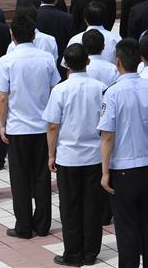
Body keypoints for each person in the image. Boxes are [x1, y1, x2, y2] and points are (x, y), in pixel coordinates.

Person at [98, 38, 148, 268]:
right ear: (139, 59)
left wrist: (104, 172)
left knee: (127, 227)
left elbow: (107, 135)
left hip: (123, 170)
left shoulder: (112, 93)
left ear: (117, 61)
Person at [0, 13, 61, 239]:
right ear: (34, 34)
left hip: (18, 128)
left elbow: (2, 96)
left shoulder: (7, 60)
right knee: (42, 176)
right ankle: (42, 225)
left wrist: (2, 125)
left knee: (20, 178)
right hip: (42, 127)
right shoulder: (47, 58)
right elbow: (54, 91)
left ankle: (23, 225)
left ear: (12, 36)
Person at [43, 44, 106, 266]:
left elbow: (52, 125)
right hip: (95, 156)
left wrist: (51, 154)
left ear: (65, 64)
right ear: (87, 61)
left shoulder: (60, 90)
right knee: (92, 205)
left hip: (68, 156)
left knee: (70, 206)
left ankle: (73, 253)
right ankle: (90, 253)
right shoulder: (101, 87)